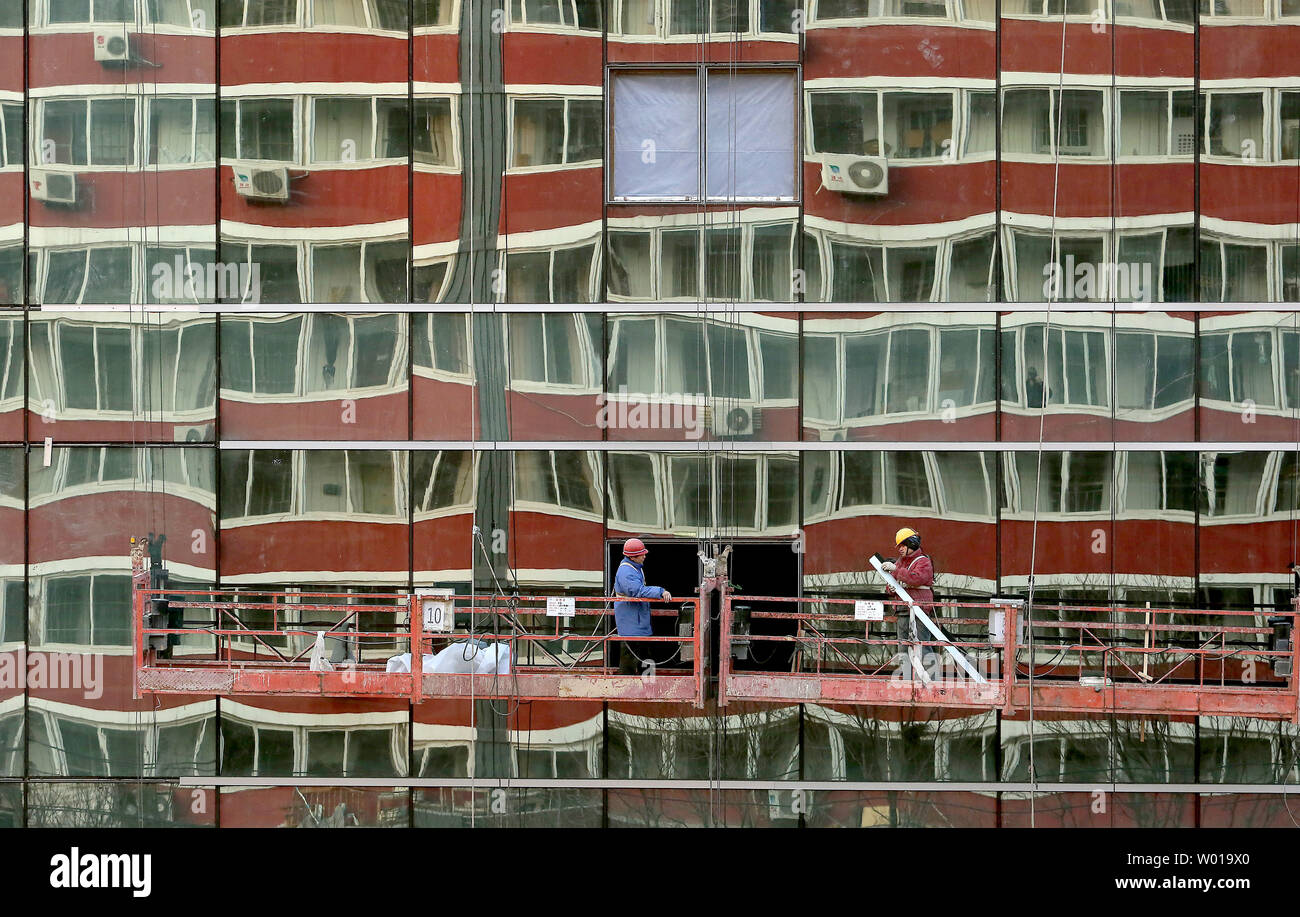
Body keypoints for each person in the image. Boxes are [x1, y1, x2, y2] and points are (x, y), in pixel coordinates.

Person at [613, 538, 672, 675]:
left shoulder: (633, 568)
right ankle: (629, 690)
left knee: (645, 656)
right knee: (630, 659)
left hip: (637, 622)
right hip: (631, 624)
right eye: (642, 554)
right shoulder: (626, 572)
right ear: (633, 556)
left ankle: (648, 686)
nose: (645, 556)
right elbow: (637, 591)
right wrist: (660, 591)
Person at [879, 528, 935, 659]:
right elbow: (891, 583)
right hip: (903, 609)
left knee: (923, 648)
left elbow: (916, 579)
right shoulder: (900, 562)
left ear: (912, 543)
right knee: (903, 649)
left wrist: (895, 569)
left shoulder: (923, 561)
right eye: (899, 546)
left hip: (920, 609)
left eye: (903, 545)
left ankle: (930, 678)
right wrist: (890, 589)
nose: (900, 549)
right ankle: (906, 678)